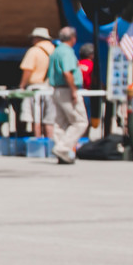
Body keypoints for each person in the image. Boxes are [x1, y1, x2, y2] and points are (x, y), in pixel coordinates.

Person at [48, 27, 86, 164]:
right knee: (80, 122)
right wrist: (74, 90)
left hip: (56, 89)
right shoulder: (67, 52)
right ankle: (62, 148)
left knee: (60, 122)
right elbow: (67, 72)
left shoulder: (56, 51)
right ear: (73, 39)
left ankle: (61, 155)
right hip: (67, 90)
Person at [19, 28, 54, 140]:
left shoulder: (34, 51)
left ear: (37, 38)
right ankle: (50, 144)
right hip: (50, 88)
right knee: (49, 119)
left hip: (36, 88)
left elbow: (27, 69)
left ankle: (38, 142)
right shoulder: (54, 50)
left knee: (36, 118)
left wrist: (22, 85)